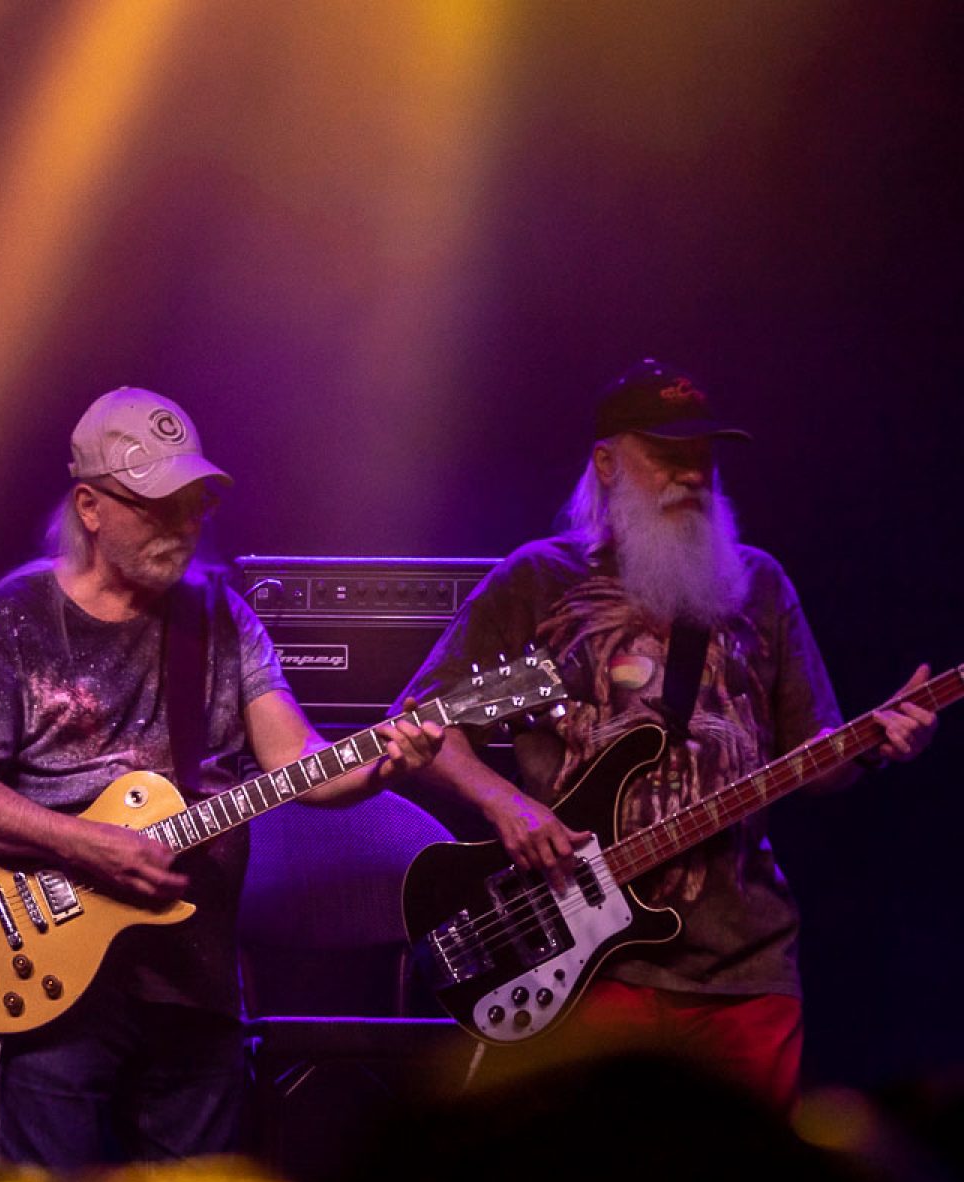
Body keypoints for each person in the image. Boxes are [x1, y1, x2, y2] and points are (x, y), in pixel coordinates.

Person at [390, 357, 937, 1113]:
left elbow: (815, 759)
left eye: (703, 455)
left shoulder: (759, 585)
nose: (691, 473)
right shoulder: (538, 581)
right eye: (667, 454)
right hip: (586, 959)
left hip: (745, 964)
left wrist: (877, 745)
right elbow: (421, 722)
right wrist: (508, 806)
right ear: (607, 463)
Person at [0, 386, 443, 1170]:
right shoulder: (15, 617)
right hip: (55, 964)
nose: (185, 525)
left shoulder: (222, 617)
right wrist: (87, 846)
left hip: (194, 976)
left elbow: (297, 762)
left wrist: (380, 765)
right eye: (159, 507)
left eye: (194, 504)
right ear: (91, 507)